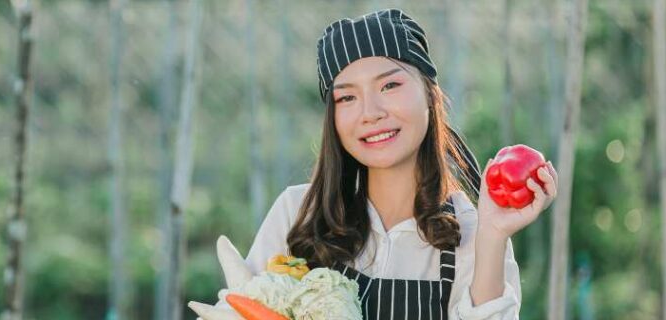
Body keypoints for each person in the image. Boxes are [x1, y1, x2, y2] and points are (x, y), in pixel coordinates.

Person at [197, 8, 558, 320]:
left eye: (389, 86)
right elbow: (242, 307)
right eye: (348, 97)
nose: (371, 113)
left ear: (430, 95)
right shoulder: (297, 213)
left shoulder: (472, 233)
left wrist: (492, 236)